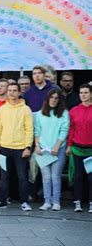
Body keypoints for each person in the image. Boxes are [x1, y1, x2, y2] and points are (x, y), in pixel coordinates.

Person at [0, 83, 34, 211]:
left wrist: (28, 147)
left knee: (22, 176)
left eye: (14, 90)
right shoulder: (2, 109)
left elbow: (29, 129)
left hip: (20, 148)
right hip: (4, 147)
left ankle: (25, 202)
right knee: (4, 176)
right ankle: (3, 201)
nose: (11, 93)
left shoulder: (25, 109)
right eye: (9, 90)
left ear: (19, 92)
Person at [34, 89, 69, 211]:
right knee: (46, 177)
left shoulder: (64, 113)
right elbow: (37, 131)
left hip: (58, 149)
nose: (53, 100)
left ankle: (56, 202)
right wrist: (37, 146)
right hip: (43, 150)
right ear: (47, 99)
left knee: (56, 176)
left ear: (59, 100)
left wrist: (57, 145)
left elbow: (64, 130)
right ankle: (47, 201)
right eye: (51, 97)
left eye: (56, 98)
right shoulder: (39, 114)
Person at [66, 84, 92, 213]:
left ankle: (91, 202)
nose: (83, 95)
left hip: (91, 149)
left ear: (91, 94)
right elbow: (71, 129)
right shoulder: (74, 111)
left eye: (86, 92)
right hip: (77, 148)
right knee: (78, 176)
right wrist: (69, 145)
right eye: (81, 92)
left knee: (91, 177)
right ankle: (77, 202)